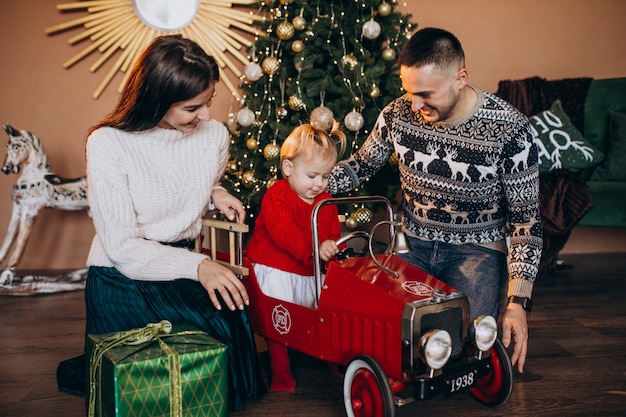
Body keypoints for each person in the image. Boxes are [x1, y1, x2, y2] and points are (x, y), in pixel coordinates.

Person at [327, 27, 543, 374]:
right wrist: (310, 184)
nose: (415, 105)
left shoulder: (511, 132)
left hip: (478, 252)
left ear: (461, 78)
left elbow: (525, 223)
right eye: (409, 92)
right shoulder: (397, 115)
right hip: (412, 244)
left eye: (426, 94)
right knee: (387, 339)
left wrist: (518, 302)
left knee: (467, 350)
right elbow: (361, 165)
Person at [83, 34, 264, 411]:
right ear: (156, 99)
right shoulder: (108, 143)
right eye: (192, 108)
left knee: (232, 318)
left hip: (182, 265)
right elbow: (122, 248)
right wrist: (199, 265)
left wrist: (216, 192)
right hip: (123, 274)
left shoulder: (214, 135)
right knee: (192, 347)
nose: (207, 116)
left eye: (209, 101)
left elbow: (192, 180)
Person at [246, 122, 347, 391]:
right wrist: (316, 247)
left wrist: (330, 249)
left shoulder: (325, 201)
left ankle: (328, 354)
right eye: (312, 175)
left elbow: (332, 232)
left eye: (325, 177)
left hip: (309, 269)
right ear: (288, 168)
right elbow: (283, 233)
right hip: (276, 267)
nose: (318, 184)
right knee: (281, 313)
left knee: (323, 307)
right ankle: (279, 366)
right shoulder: (277, 195)